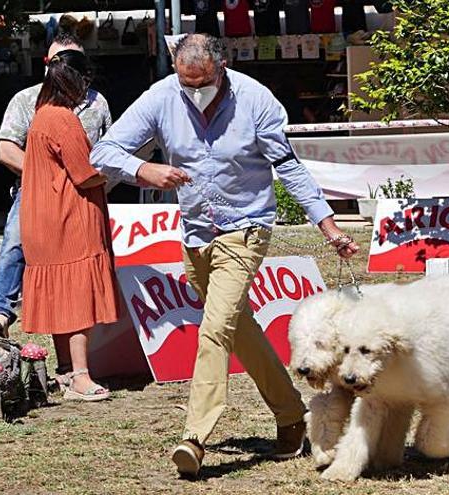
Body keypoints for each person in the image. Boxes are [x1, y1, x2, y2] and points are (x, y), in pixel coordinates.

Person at [90, 33, 359, 477]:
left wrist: (328, 225)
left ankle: (194, 437)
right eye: (186, 83)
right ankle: (293, 416)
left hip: (246, 229)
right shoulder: (161, 96)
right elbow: (104, 151)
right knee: (239, 330)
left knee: (215, 330)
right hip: (195, 232)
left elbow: (287, 167)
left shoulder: (257, 101)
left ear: (222, 68)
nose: (195, 92)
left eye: (203, 83)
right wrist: (144, 168)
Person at [0, 32, 112, 382]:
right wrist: (50, 176)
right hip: (59, 202)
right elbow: (80, 171)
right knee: (67, 280)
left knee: (57, 282)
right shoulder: (45, 109)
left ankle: (68, 368)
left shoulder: (82, 107)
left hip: (68, 200)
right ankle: (1, 313)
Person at [19, 49, 122, 402]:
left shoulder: (41, 116)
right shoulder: (64, 120)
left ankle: (65, 370)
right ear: (77, 82)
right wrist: (120, 170)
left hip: (41, 218)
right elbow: (84, 174)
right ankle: (81, 377)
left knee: (59, 294)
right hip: (69, 217)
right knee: (77, 296)